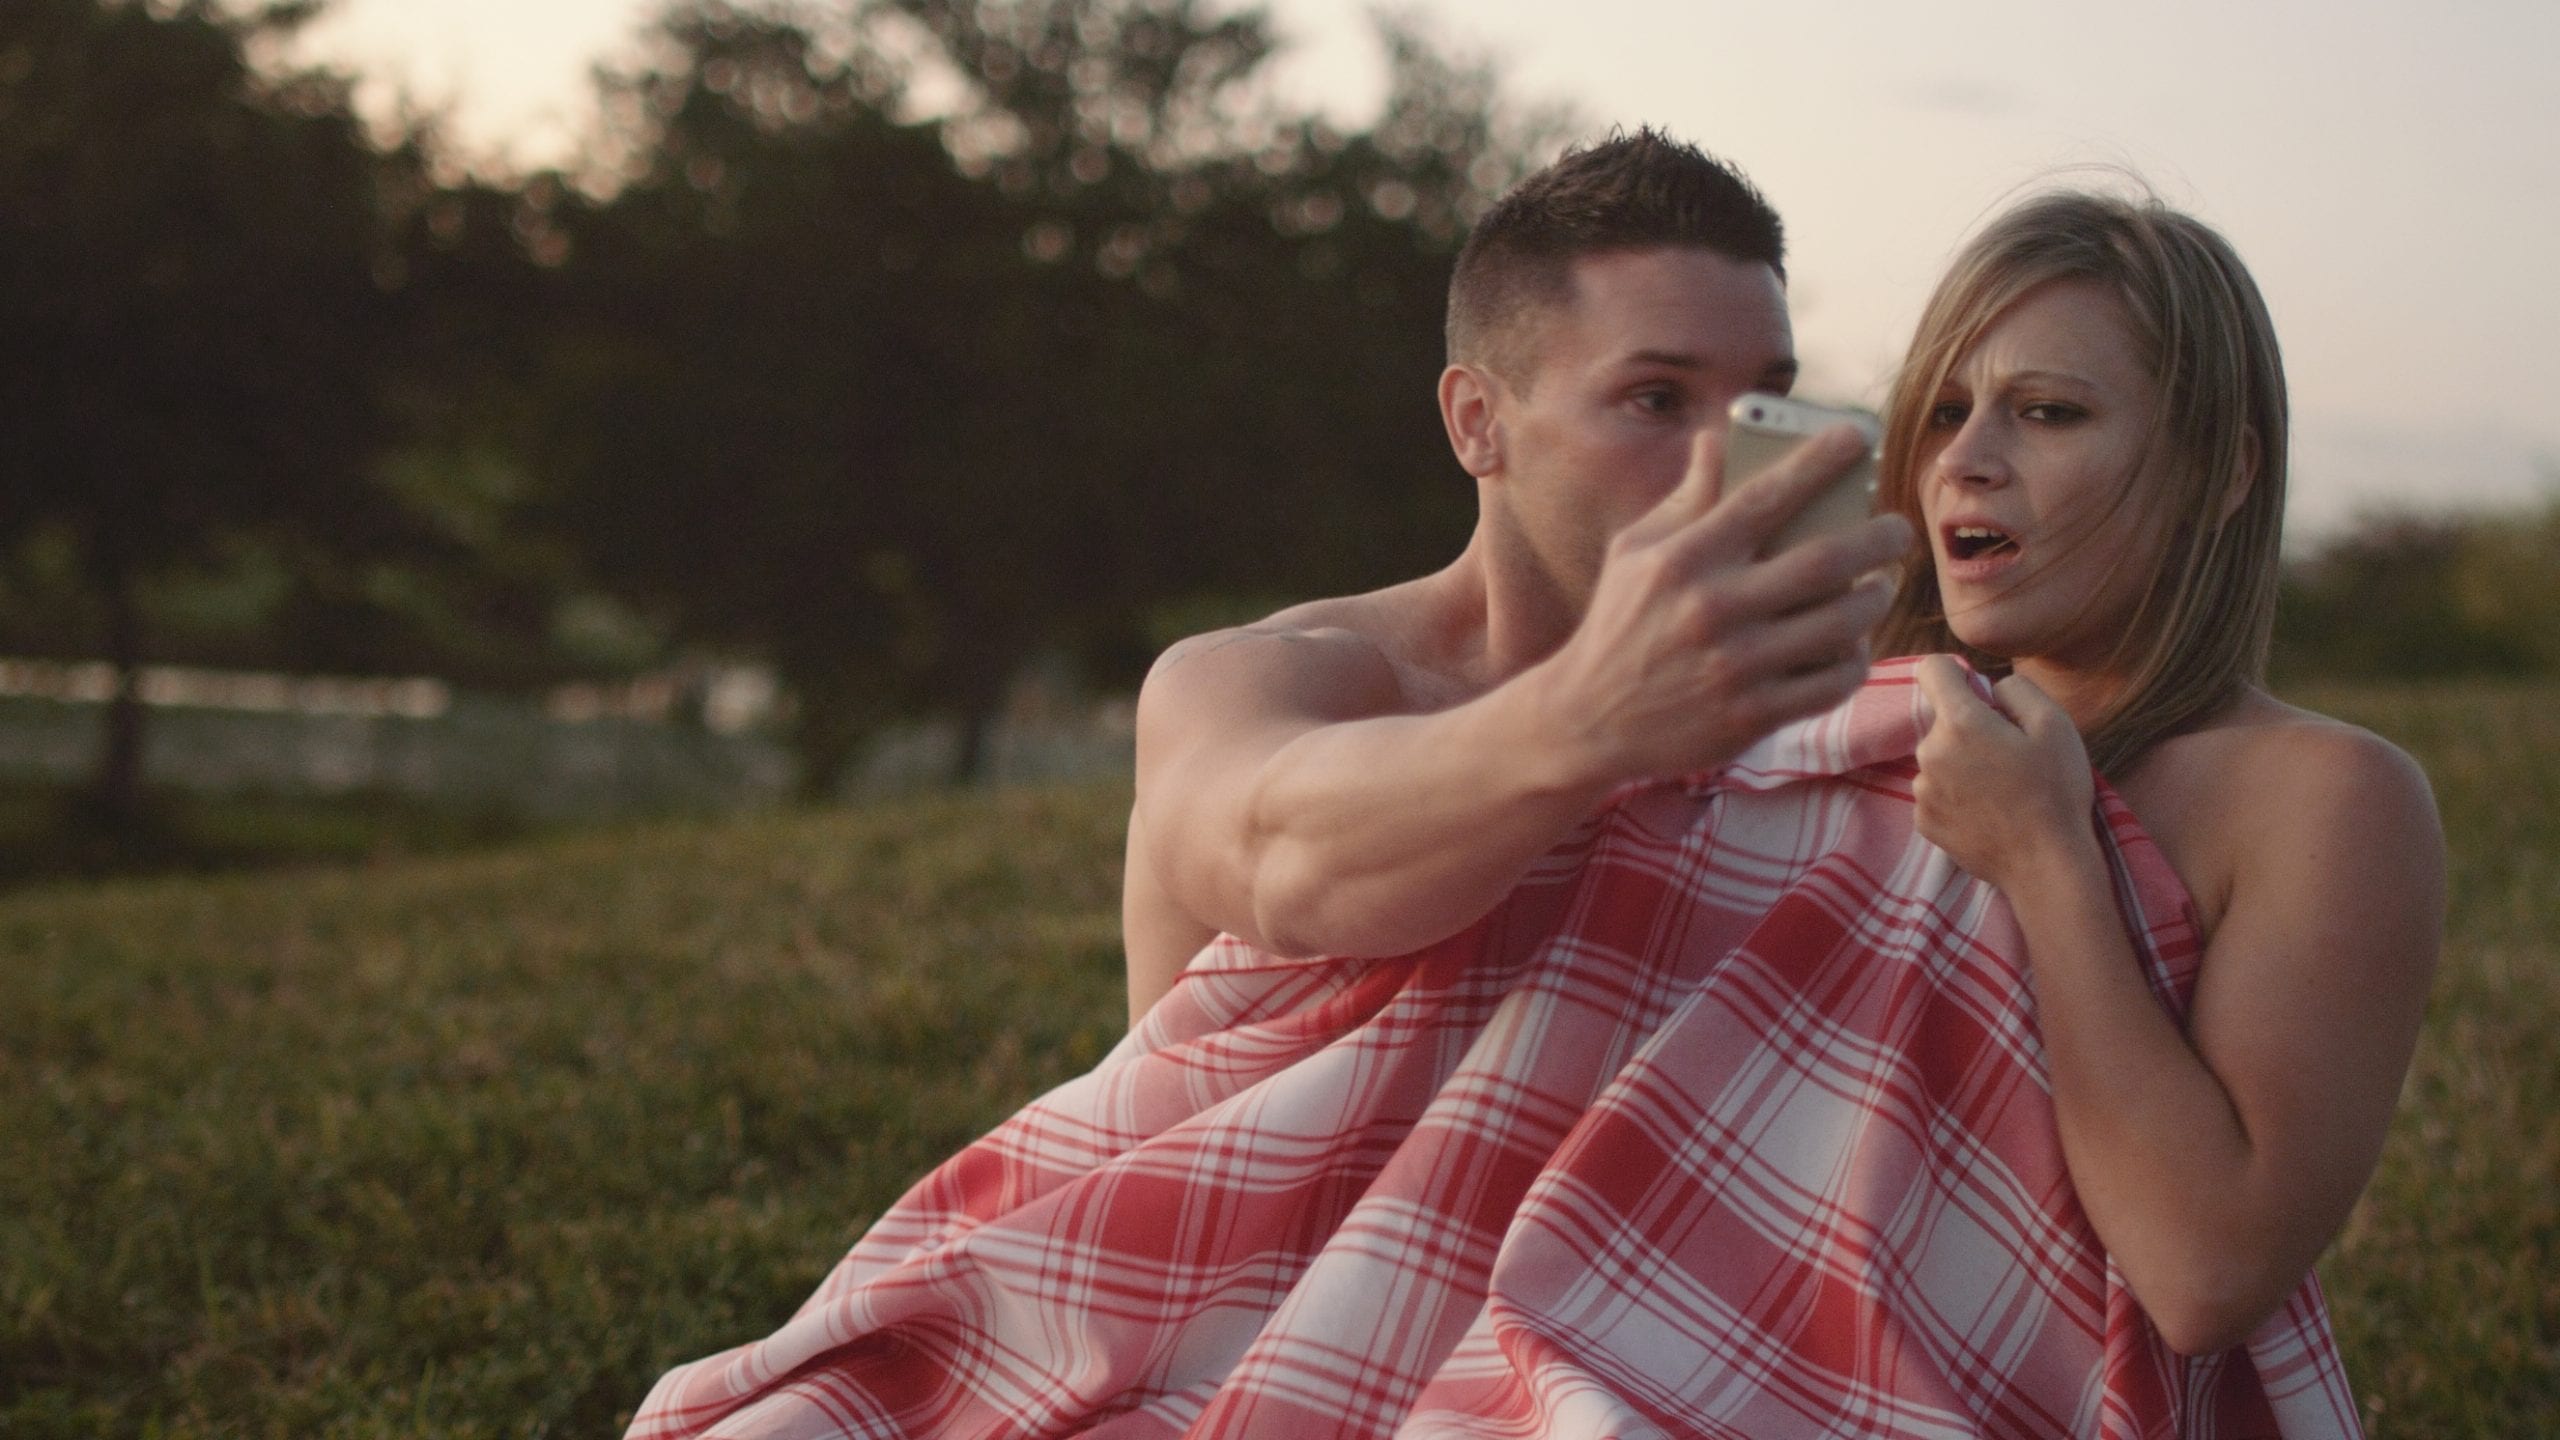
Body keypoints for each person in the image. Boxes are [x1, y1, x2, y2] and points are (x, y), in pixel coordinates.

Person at [1121, 129, 1910, 1022]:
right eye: (1658, 400)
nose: (1725, 463)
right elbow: (1279, 859)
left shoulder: (1802, 724)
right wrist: (1588, 717)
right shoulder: (1256, 676)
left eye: (1765, 409)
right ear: (1477, 422)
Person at [1885, 189, 2444, 1356]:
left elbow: (2203, 1270)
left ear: (2215, 472)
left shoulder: (2323, 795)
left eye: (2044, 411)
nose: (1965, 461)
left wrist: (2044, 858)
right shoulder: (1876, 735)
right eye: (1943, 411)